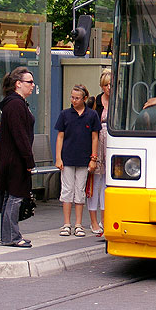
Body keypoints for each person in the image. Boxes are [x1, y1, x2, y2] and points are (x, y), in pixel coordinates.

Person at [0, 67, 36, 248]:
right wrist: (29, 160)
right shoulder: (16, 105)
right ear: (18, 84)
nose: (33, 86)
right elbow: (20, 135)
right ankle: (12, 236)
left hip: (11, 157)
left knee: (10, 197)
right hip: (15, 159)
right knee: (15, 197)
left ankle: (8, 235)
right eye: (29, 82)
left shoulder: (14, 103)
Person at [55, 84, 100, 238]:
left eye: (77, 98)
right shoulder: (65, 114)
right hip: (68, 157)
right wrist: (58, 157)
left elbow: (95, 137)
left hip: (84, 158)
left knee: (80, 191)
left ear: (84, 99)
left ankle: (78, 224)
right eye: (72, 97)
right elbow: (60, 136)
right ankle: (67, 223)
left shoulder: (92, 115)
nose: (73, 100)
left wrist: (93, 158)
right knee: (67, 190)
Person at [86, 70, 111, 237]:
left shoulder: (119, 101)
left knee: (108, 181)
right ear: (102, 86)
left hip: (112, 140)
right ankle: (93, 220)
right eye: (106, 85)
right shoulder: (95, 101)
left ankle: (105, 218)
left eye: (111, 84)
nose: (109, 88)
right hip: (97, 140)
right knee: (95, 181)